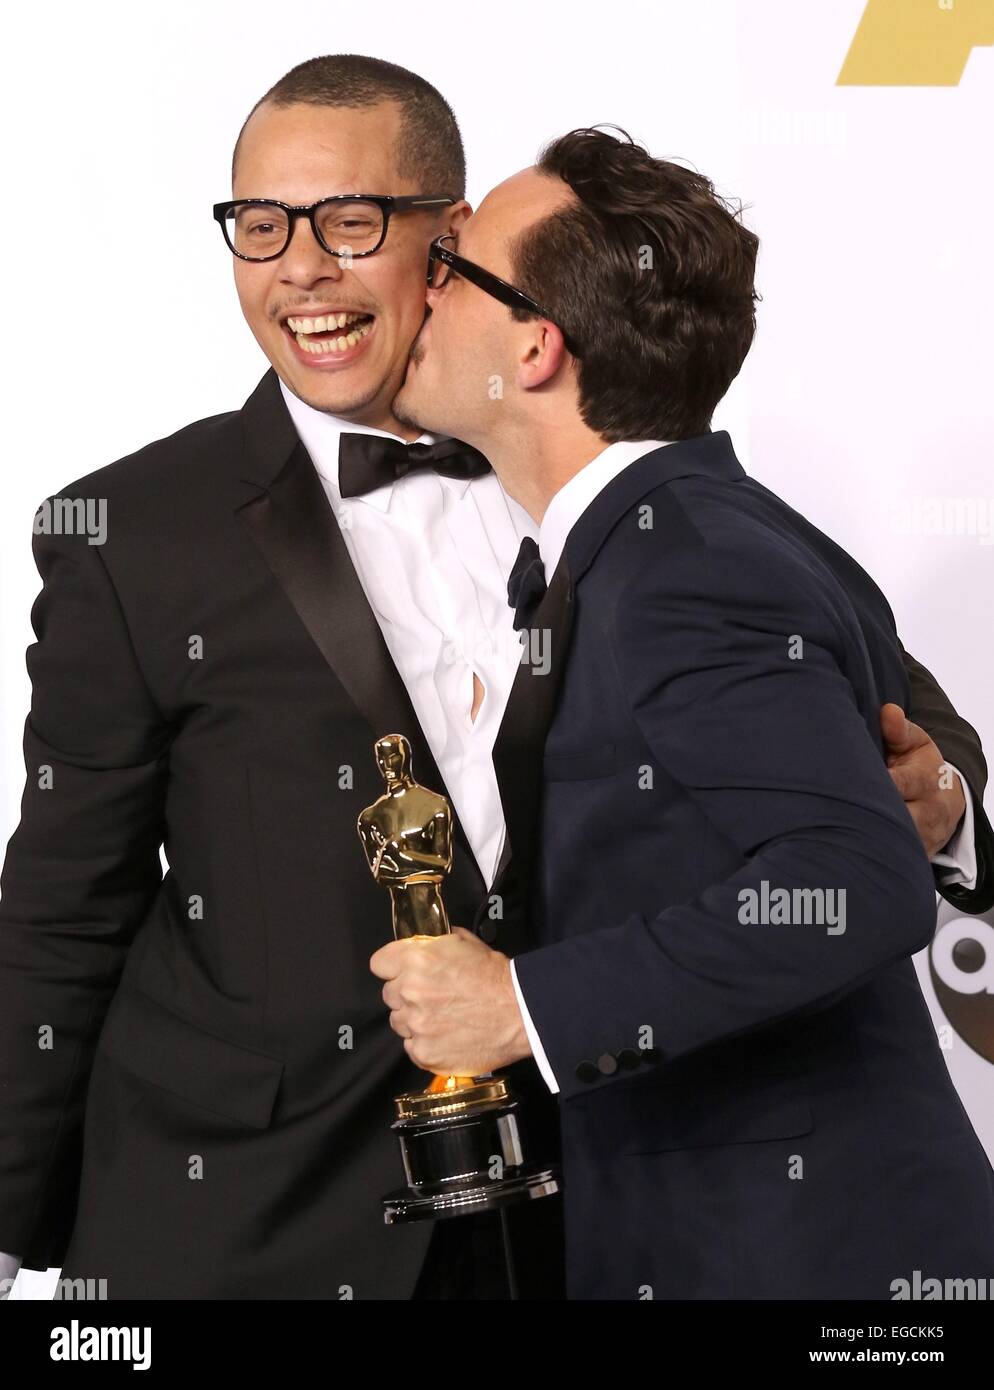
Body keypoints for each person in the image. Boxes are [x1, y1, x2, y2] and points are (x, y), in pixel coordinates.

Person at [0, 56, 986, 1301]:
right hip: (256, 1217)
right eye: (260, 226)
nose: (300, 265)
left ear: (449, 237)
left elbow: (885, 702)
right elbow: (63, 903)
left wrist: (937, 794)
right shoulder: (133, 528)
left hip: (579, 1202)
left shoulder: (630, 487)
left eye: (350, 221)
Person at [373, 126, 994, 1298]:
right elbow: (883, 797)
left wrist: (520, 1003)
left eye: (454, 265)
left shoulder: (681, 567)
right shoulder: (711, 529)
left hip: (793, 1259)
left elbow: (857, 883)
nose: (422, 284)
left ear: (538, 345)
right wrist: (942, 802)